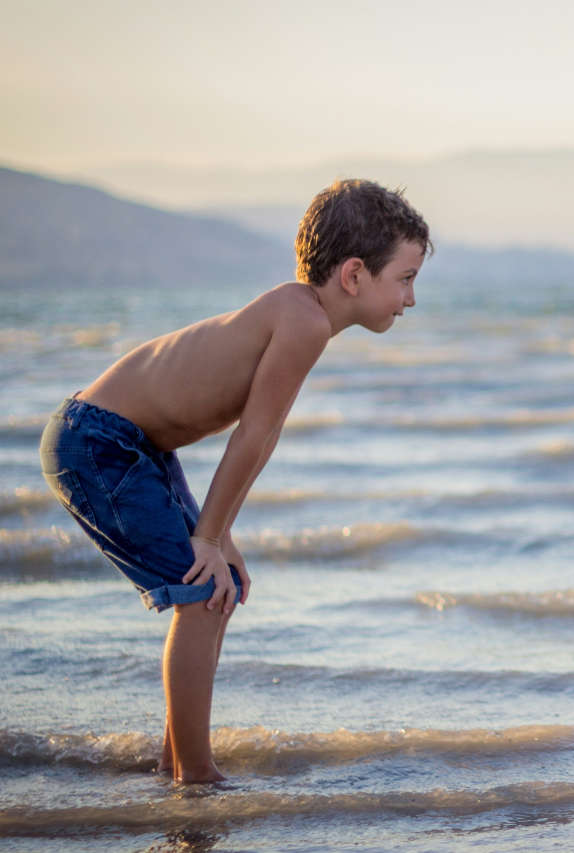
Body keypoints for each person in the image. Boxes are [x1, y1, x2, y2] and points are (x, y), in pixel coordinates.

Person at [39, 179, 431, 782]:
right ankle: (194, 776)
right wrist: (208, 537)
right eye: (404, 278)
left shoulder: (301, 314)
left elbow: (254, 438)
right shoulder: (302, 321)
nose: (409, 298)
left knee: (219, 589)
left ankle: (176, 762)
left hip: (135, 446)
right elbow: (256, 435)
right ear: (354, 275)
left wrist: (221, 538)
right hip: (97, 441)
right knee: (198, 592)